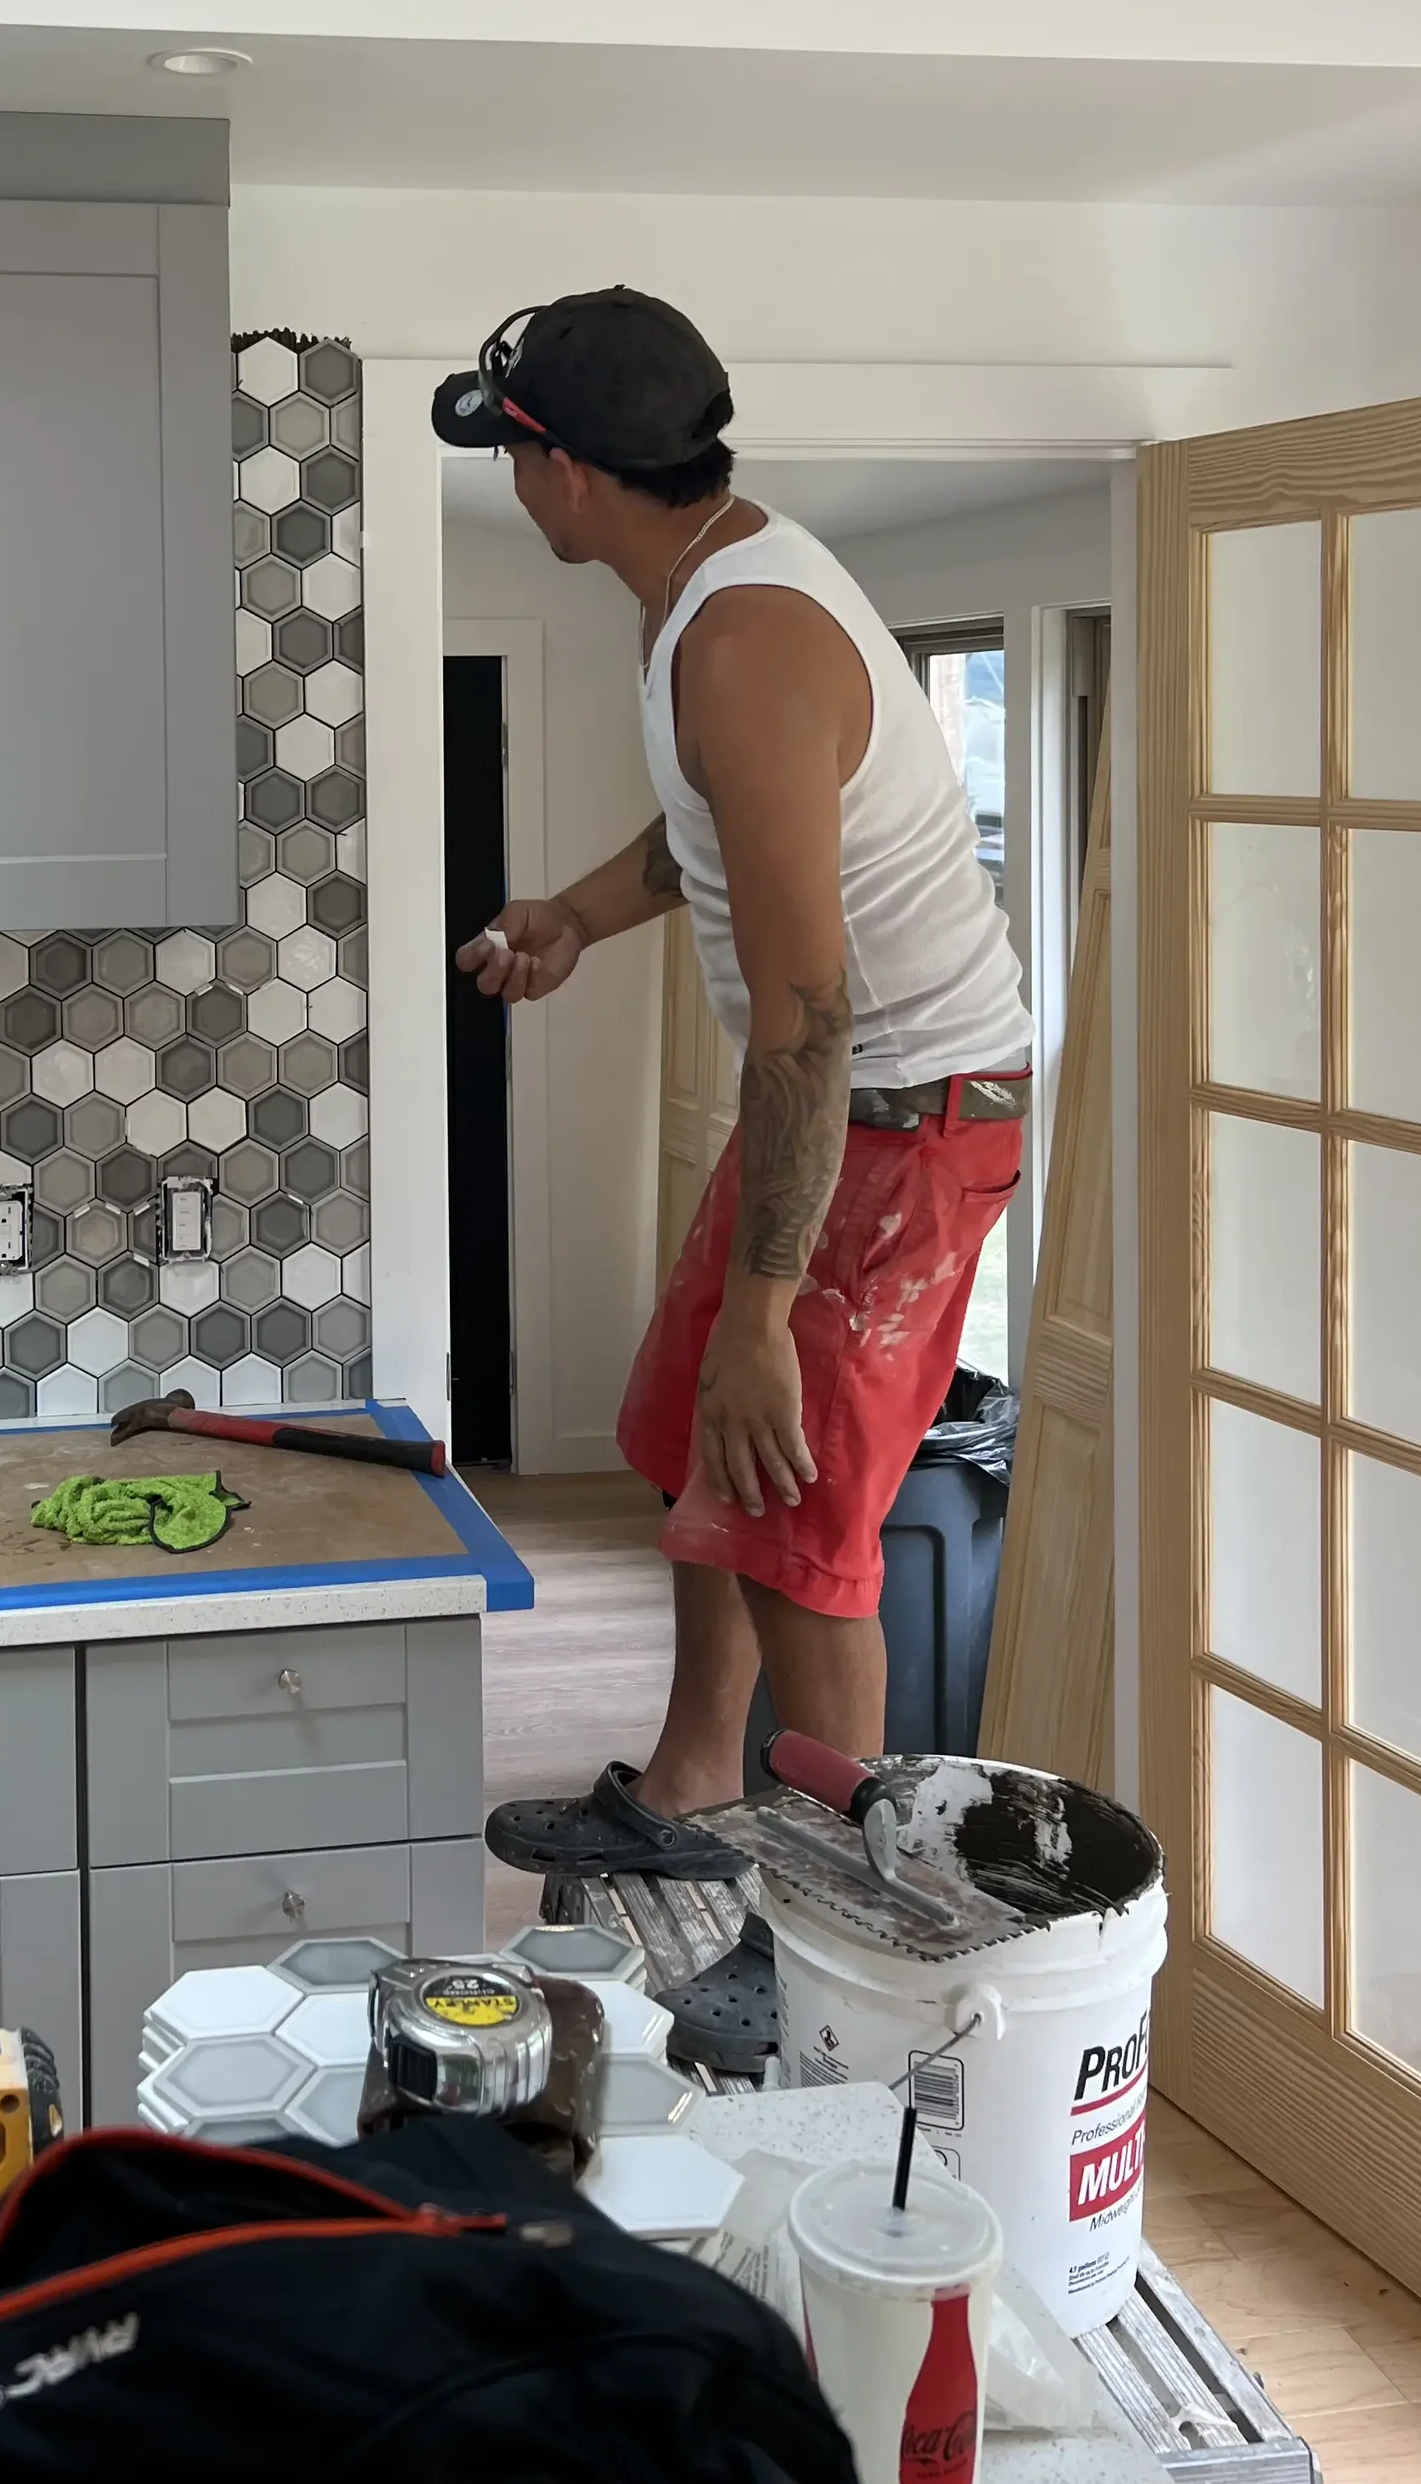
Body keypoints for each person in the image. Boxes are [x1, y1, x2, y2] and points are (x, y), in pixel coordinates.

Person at [436, 289, 1031, 1877]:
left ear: (562, 472)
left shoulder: (747, 638)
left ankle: (867, 1903)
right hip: (855, 1100)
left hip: (898, 1122)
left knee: (796, 1524)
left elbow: (812, 1016)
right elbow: (715, 829)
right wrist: (573, 910)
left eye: (509, 447)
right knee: (686, 1434)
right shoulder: (708, 581)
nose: (506, 471)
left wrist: (766, 1316)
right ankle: (698, 1783)